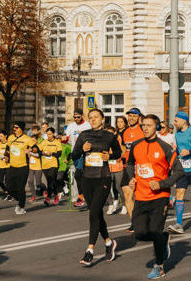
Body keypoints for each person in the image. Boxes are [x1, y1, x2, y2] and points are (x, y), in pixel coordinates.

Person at [127, 114, 183, 280]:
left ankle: (159, 266)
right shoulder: (136, 145)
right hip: (141, 196)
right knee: (139, 233)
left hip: (160, 197)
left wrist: (162, 184)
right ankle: (163, 239)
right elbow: (130, 163)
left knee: (154, 230)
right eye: (143, 125)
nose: (145, 128)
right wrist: (132, 177)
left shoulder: (165, 147)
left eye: (149, 125)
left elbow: (179, 171)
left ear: (156, 127)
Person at [70, 109, 123, 266]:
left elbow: (119, 153)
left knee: (93, 213)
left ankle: (90, 250)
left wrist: (110, 156)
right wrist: (82, 150)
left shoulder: (109, 136)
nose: (93, 120)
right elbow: (74, 155)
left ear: (102, 119)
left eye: (96, 117)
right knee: (97, 213)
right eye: (90, 118)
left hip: (103, 178)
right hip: (87, 179)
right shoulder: (84, 135)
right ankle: (108, 242)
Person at [121, 108, 145, 230]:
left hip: (141, 166)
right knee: (127, 194)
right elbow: (125, 149)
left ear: (139, 118)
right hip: (128, 167)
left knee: (141, 196)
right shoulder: (125, 132)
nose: (131, 118)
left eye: (134, 116)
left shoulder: (143, 130)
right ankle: (134, 223)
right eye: (129, 116)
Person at [65, 109, 91, 208]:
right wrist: (63, 139)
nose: (76, 119)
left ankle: (81, 197)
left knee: (78, 175)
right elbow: (66, 137)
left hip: (84, 153)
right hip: (75, 153)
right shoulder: (71, 126)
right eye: (74, 117)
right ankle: (87, 197)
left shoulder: (87, 125)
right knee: (81, 176)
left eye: (78, 117)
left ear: (82, 116)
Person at [38, 127, 63, 206]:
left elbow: (59, 154)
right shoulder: (44, 142)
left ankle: (48, 198)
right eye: (47, 134)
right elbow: (38, 151)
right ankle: (56, 195)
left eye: (50, 134)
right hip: (45, 165)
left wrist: (51, 153)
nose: (49, 135)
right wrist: (43, 153)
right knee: (52, 181)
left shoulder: (57, 142)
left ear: (53, 134)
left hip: (54, 164)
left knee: (50, 178)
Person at [105, 125, 126, 215]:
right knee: (107, 188)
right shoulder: (103, 141)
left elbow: (123, 151)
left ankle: (125, 205)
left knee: (118, 187)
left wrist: (119, 156)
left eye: (110, 132)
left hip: (118, 167)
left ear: (115, 133)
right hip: (107, 167)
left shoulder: (118, 140)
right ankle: (111, 205)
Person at [0, 130, 10, 199]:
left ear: (5, 136)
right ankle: (6, 191)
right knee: (0, 181)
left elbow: (10, 153)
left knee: (7, 181)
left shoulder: (9, 144)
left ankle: (9, 194)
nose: (0, 138)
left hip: (8, 165)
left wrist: (7, 157)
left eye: (1, 136)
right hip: (1, 165)